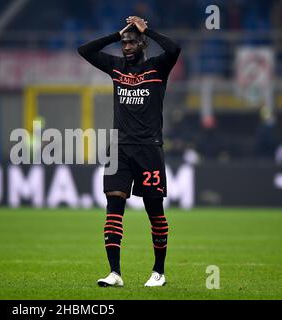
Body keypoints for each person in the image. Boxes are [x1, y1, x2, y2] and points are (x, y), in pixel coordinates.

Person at [78, 16, 181, 287]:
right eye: (124, 43)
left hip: (149, 149)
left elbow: (174, 50)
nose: (126, 46)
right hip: (118, 149)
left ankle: (159, 272)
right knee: (113, 207)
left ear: (142, 44)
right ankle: (114, 273)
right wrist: (116, 33)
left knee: (154, 210)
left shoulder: (158, 68)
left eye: (132, 42)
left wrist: (150, 30)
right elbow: (84, 50)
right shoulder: (115, 67)